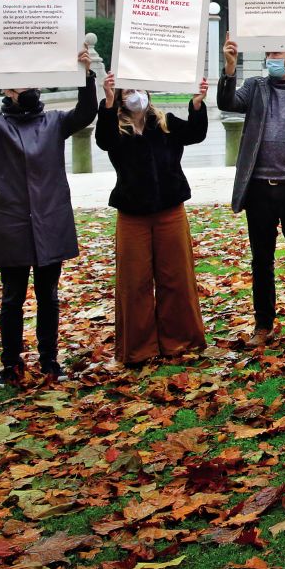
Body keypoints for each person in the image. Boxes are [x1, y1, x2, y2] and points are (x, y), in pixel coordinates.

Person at [0, 42, 96, 385]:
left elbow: (85, 112)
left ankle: (50, 360)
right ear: (6, 88)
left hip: (51, 220)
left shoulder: (54, 122)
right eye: (22, 82)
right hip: (13, 223)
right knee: (12, 298)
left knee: (48, 296)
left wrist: (86, 73)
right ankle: (11, 364)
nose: (30, 87)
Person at [217, 35, 285, 347]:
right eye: (268, 52)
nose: (271, 58)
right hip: (259, 190)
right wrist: (229, 67)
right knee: (261, 260)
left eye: (276, 52)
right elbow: (228, 102)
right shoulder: (255, 87)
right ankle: (263, 324)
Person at [95, 75, 210, 366]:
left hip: (169, 210)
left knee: (176, 277)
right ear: (121, 98)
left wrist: (196, 104)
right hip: (133, 215)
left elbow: (196, 134)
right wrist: (107, 104)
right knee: (135, 282)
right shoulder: (116, 128)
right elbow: (103, 141)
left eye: (138, 89)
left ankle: (179, 341)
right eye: (128, 91)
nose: (135, 95)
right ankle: (139, 348)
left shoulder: (165, 122)